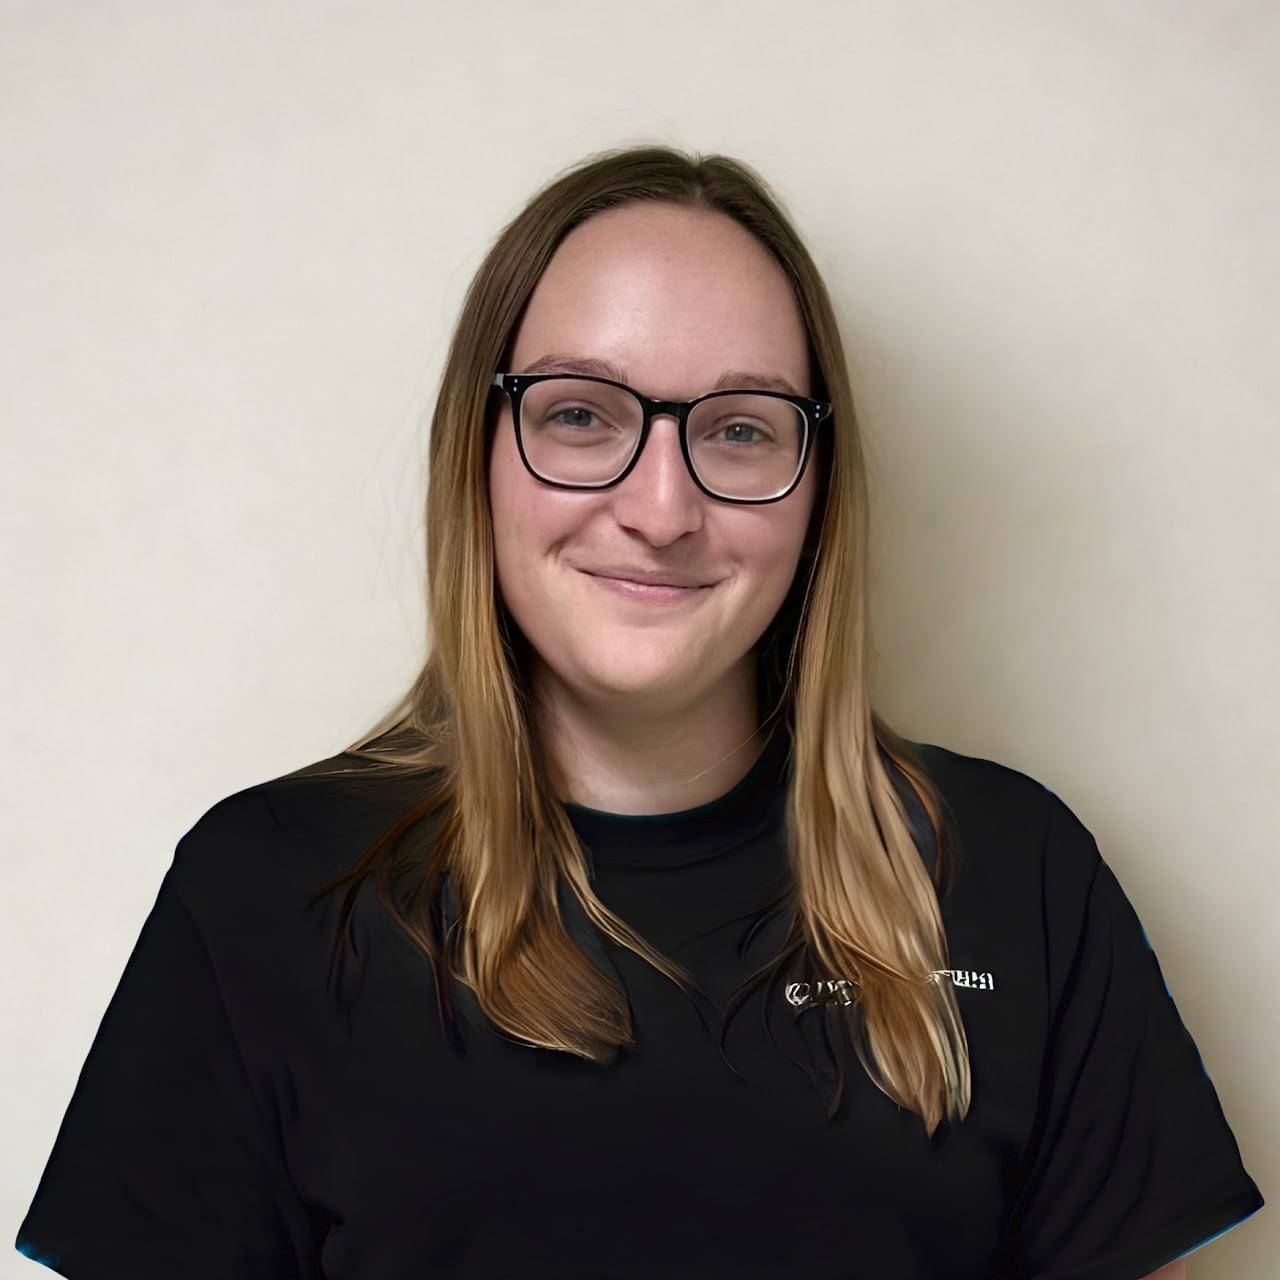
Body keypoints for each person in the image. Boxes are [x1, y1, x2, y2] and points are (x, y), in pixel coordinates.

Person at [14, 145, 1264, 1279]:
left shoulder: (1013, 871)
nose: (661, 508)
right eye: (579, 413)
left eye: (738, 429)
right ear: (476, 452)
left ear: (817, 486)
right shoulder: (268, 889)